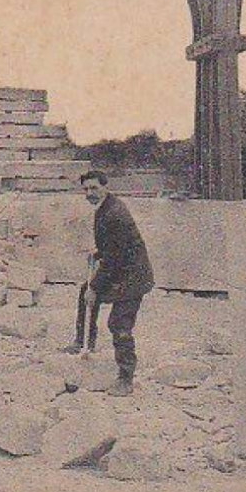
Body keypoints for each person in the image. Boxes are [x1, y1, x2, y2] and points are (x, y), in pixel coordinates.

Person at [74, 170, 155, 396]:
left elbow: (115, 259)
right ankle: (84, 343)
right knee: (85, 292)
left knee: (119, 325)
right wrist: (99, 253)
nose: (90, 193)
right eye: (86, 189)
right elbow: (114, 248)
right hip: (120, 271)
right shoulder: (104, 207)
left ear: (105, 187)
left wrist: (95, 287)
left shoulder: (114, 214)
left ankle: (125, 378)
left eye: (94, 188)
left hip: (133, 278)